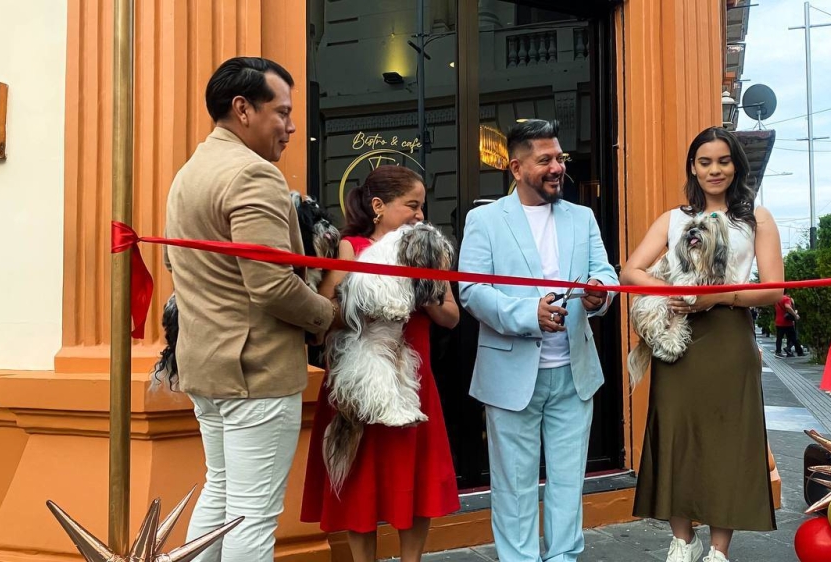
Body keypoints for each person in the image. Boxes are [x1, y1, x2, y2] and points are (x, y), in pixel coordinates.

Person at [164, 57, 337, 561]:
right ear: (242, 109)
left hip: (207, 365)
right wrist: (327, 316)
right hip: (254, 370)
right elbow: (272, 286)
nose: (291, 125)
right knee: (253, 515)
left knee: (221, 498)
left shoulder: (191, 171)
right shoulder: (253, 175)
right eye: (281, 112)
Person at [620, 126, 783, 562]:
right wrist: (670, 290)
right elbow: (630, 271)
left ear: (736, 165)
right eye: (705, 162)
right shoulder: (673, 219)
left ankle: (718, 550)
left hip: (730, 337)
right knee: (675, 432)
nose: (715, 170)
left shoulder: (757, 219)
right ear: (693, 166)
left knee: (727, 438)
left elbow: (774, 289)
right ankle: (682, 540)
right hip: (678, 337)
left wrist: (719, 296)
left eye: (723, 161)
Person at [458, 119, 618, 562]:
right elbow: (471, 291)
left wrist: (598, 295)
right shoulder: (484, 220)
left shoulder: (582, 216)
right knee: (514, 486)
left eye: (560, 158)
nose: (557, 167)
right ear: (516, 167)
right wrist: (529, 315)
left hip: (574, 374)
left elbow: (605, 274)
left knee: (569, 484)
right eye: (545, 159)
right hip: (509, 376)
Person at [300, 165, 461, 562]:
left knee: (416, 482)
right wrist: (365, 299)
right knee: (360, 482)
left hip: (413, 380)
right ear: (378, 206)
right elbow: (326, 312)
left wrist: (419, 286)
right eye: (411, 205)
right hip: (359, 380)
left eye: (422, 206)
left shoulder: (425, 249)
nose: (420, 216)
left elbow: (451, 316)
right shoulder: (349, 248)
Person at [774, 293, 804, 357]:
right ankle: (799, 351)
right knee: (793, 337)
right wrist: (795, 315)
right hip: (787, 322)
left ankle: (778, 351)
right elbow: (787, 307)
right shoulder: (786, 299)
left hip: (778, 321)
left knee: (779, 338)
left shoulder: (777, 299)